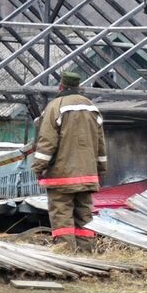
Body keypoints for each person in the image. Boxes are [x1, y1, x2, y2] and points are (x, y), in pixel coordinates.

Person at [30, 70, 107, 251]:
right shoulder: (91, 107)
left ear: (61, 86)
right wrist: (100, 169)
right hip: (88, 175)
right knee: (84, 216)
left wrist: (38, 166)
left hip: (61, 176)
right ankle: (87, 253)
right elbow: (101, 143)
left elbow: (47, 142)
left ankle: (66, 252)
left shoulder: (55, 106)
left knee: (61, 215)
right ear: (78, 87)